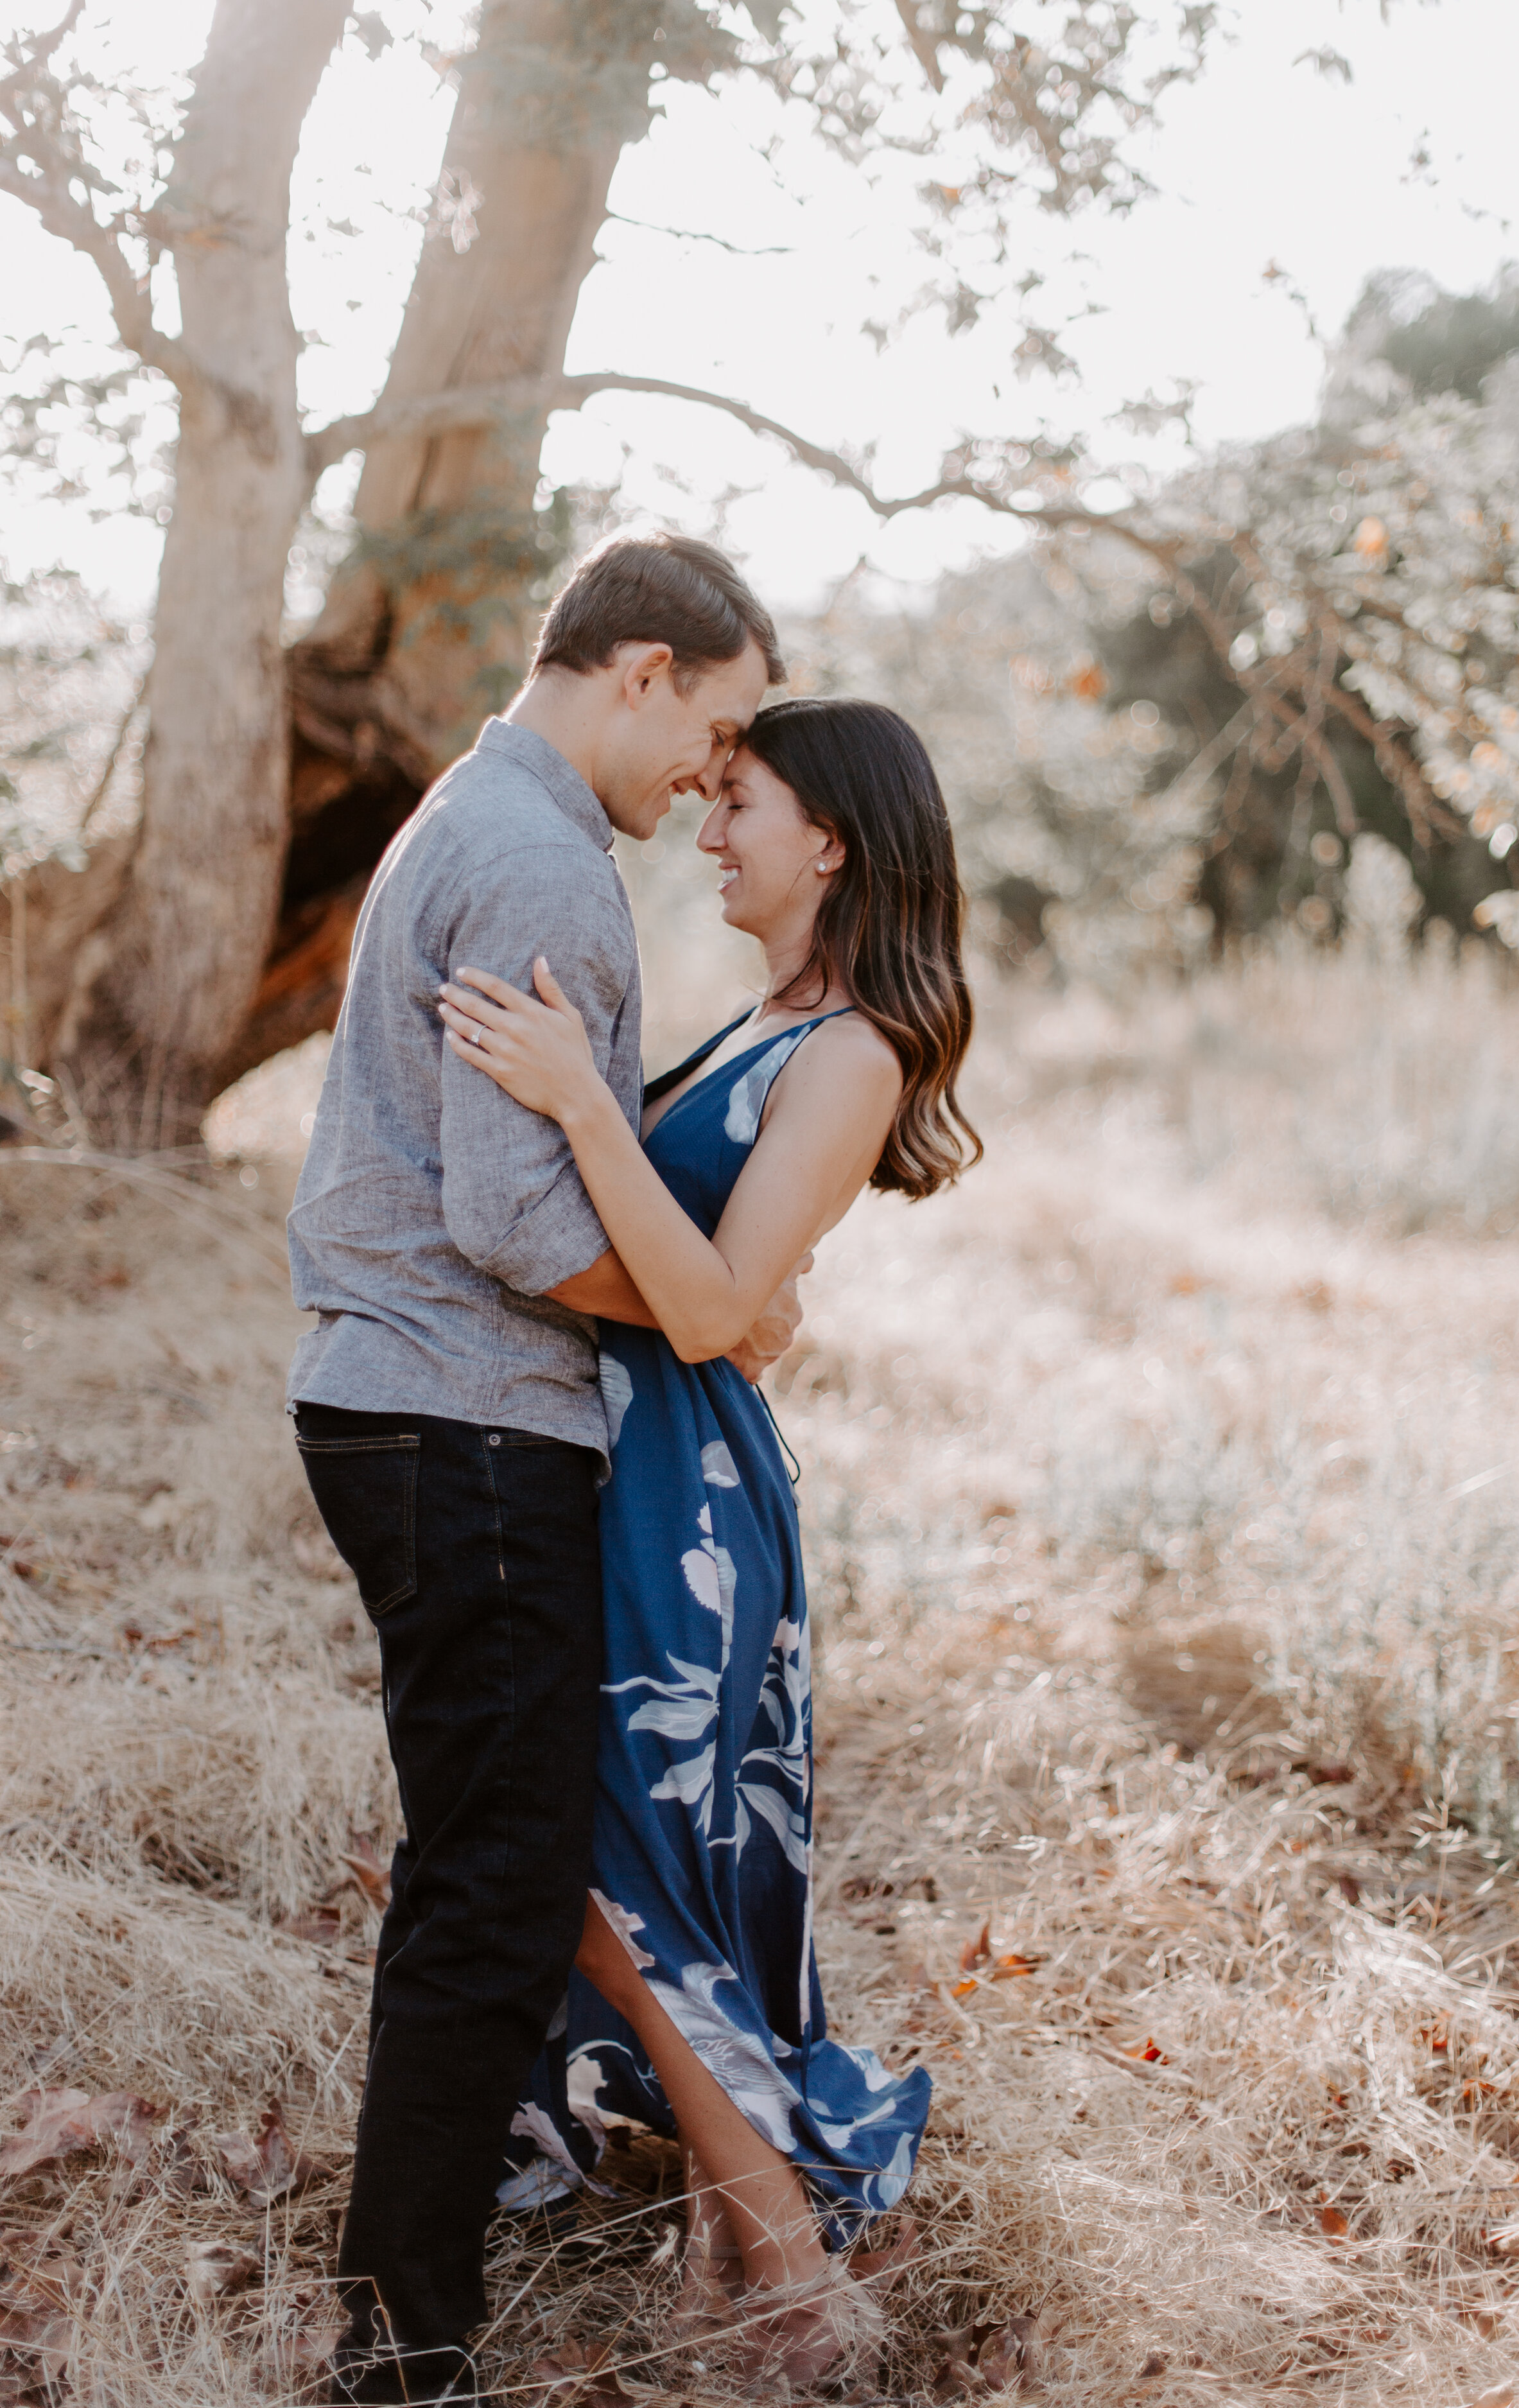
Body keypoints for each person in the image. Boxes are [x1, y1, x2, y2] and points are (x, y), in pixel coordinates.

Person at [285, 532, 805, 2407]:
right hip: (467, 1417)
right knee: (494, 1888)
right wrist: (715, 1318)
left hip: (400, 1403)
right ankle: (404, 2349)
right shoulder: (539, 868)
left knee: (478, 1870)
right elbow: (516, 1228)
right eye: (717, 724)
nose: (711, 777)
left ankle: (406, 2299)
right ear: (643, 668)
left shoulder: (470, 811)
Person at [436, 694, 980, 2389]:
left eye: (737, 803)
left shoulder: (855, 1047)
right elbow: (730, 1288)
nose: (707, 829)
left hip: (685, 1509)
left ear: (829, 838)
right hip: (617, 1473)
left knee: (598, 1859)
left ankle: (794, 2261)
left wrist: (579, 1107)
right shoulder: (769, 1020)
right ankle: (730, 2227)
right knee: (624, 1863)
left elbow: (710, 1303)